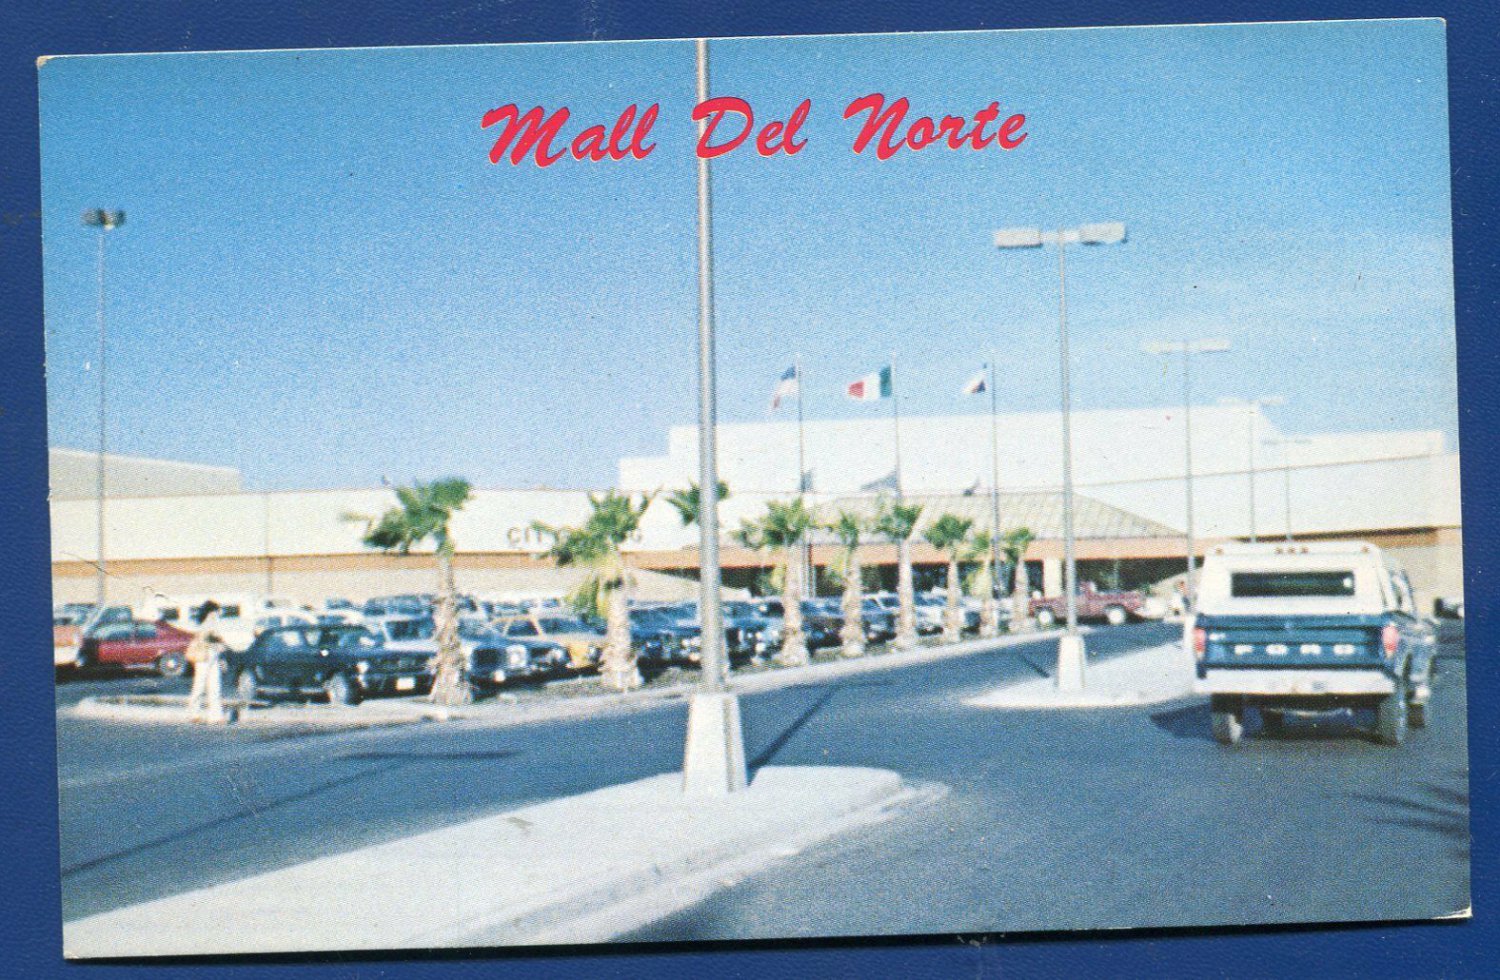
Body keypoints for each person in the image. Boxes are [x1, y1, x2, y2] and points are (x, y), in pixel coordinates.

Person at [186, 600, 227, 723]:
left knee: (215, 685)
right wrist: (218, 641)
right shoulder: (207, 623)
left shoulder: (212, 622)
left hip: (213, 655)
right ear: (211, 612)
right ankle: (194, 713)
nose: (219, 613)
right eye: (217, 611)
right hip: (203, 655)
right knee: (201, 684)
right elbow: (206, 637)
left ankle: (216, 716)